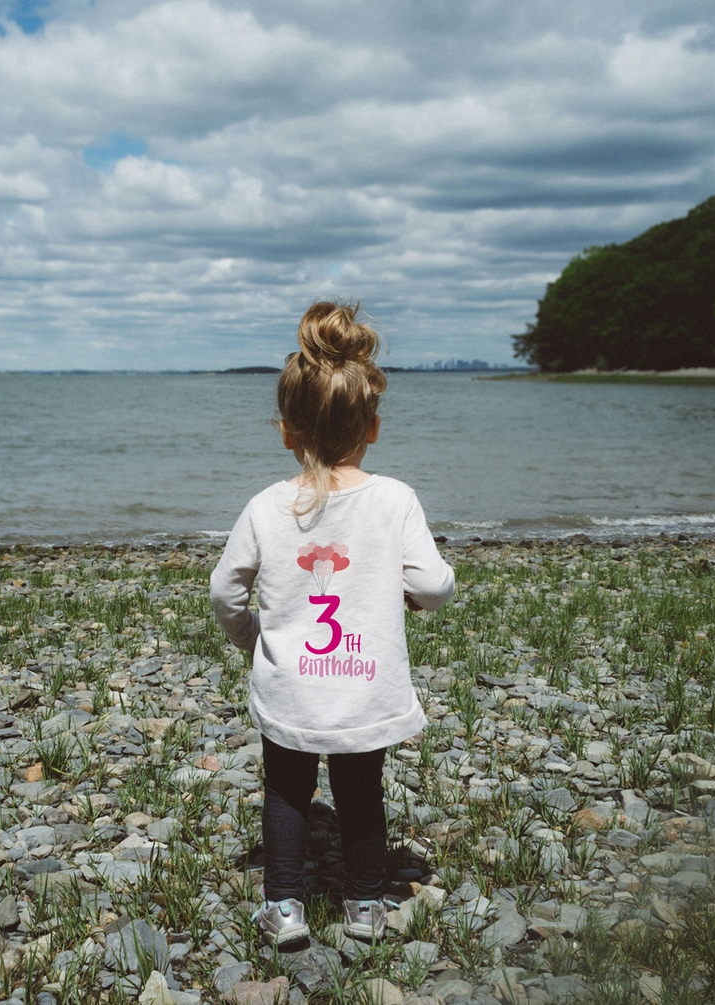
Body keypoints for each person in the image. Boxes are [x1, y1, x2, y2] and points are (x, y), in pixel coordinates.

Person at [210, 301, 455, 947]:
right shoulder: (394, 498)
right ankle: (365, 904)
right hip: (363, 681)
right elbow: (432, 582)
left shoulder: (267, 504)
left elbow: (224, 588)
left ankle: (284, 907)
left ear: (286, 430)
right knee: (360, 788)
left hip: (291, 682)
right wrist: (412, 600)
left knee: (287, 790)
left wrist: (251, 636)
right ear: (370, 427)